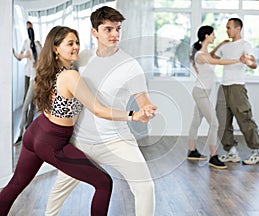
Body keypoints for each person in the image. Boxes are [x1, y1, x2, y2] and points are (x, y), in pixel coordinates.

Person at [0, 26, 153, 216]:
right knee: (104, 183)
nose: (76, 47)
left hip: (36, 132)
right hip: (52, 142)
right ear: (56, 48)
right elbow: (98, 109)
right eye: (70, 43)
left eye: (77, 42)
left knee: (15, 184)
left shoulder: (47, 70)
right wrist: (133, 115)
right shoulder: (70, 76)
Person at [45, 6, 157, 216]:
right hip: (81, 142)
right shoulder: (83, 58)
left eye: (118, 29)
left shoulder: (130, 65)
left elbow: (144, 101)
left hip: (117, 141)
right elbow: (61, 79)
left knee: (146, 187)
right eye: (108, 29)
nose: (115, 34)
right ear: (94, 32)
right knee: (59, 189)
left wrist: (147, 110)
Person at [211, 18, 259, 165]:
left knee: (245, 119)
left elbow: (254, 64)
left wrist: (247, 62)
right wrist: (221, 44)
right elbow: (212, 57)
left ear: (238, 28)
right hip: (224, 87)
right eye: (226, 28)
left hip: (237, 87)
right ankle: (231, 152)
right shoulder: (226, 46)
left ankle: (256, 151)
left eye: (229, 28)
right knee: (222, 121)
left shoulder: (245, 45)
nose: (227, 30)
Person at [187, 25, 242, 169]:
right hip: (200, 93)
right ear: (206, 36)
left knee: (196, 121)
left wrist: (221, 44)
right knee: (214, 123)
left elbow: (211, 55)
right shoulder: (201, 55)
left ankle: (192, 151)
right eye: (213, 35)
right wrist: (238, 60)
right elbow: (217, 61)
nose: (214, 36)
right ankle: (213, 156)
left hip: (202, 92)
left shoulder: (203, 53)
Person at [13, 26, 42, 145]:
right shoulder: (40, 46)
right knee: (34, 107)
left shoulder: (30, 51)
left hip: (33, 81)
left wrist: (13, 51)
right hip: (39, 81)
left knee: (25, 108)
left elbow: (19, 57)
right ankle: (30, 131)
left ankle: (20, 135)